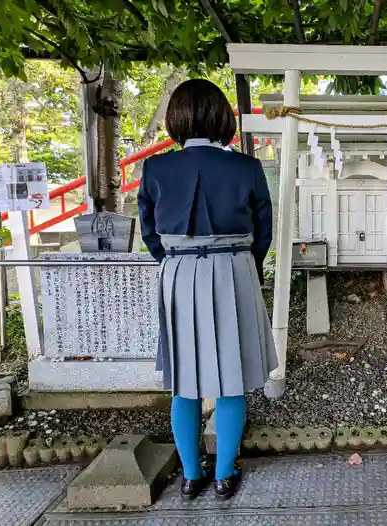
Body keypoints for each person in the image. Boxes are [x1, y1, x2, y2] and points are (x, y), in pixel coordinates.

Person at [138, 78, 278, 501]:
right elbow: (263, 231)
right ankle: (223, 474)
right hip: (234, 268)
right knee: (230, 378)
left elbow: (149, 231)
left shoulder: (156, 168)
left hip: (178, 270)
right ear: (222, 117)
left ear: (175, 119)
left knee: (185, 380)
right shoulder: (247, 168)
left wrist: (175, 262)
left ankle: (191, 475)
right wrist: (241, 266)